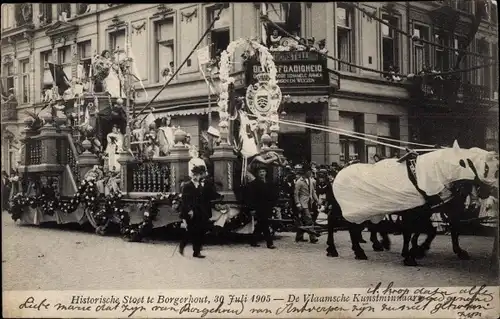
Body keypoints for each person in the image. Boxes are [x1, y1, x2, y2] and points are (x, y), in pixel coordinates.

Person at [179, 166, 211, 258]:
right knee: (191, 231)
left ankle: (196, 252)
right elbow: (185, 200)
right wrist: (189, 210)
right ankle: (182, 245)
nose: (195, 176)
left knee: (200, 231)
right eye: (194, 174)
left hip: (199, 212)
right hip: (190, 212)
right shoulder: (187, 186)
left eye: (197, 174)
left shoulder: (200, 186)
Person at [247, 165, 278, 249]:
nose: (262, 173)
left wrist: (273, 205)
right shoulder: (253, 184)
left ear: (266, 173)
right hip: (258, 207)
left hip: (267, 207)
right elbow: (251, 197)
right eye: (260, 172)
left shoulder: (269, 183)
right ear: (257, 174)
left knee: (260, 224)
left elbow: (272, 195)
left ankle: (253, 241)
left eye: (263, 172)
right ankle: (269, 243)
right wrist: (252, 208)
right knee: (265, 224)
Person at [293, 164, 319, 243]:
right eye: (309, 171)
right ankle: (313, 236)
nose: (311, 172)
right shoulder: (299, 182)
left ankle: (299, 237)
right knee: (309, 219)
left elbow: (313, 191)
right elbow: (296, 194)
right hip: (303, 203)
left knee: (304, 220)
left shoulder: (311, 180)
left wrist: (317, 201)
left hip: (310, 203)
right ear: (306, 172)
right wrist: (298, 204)